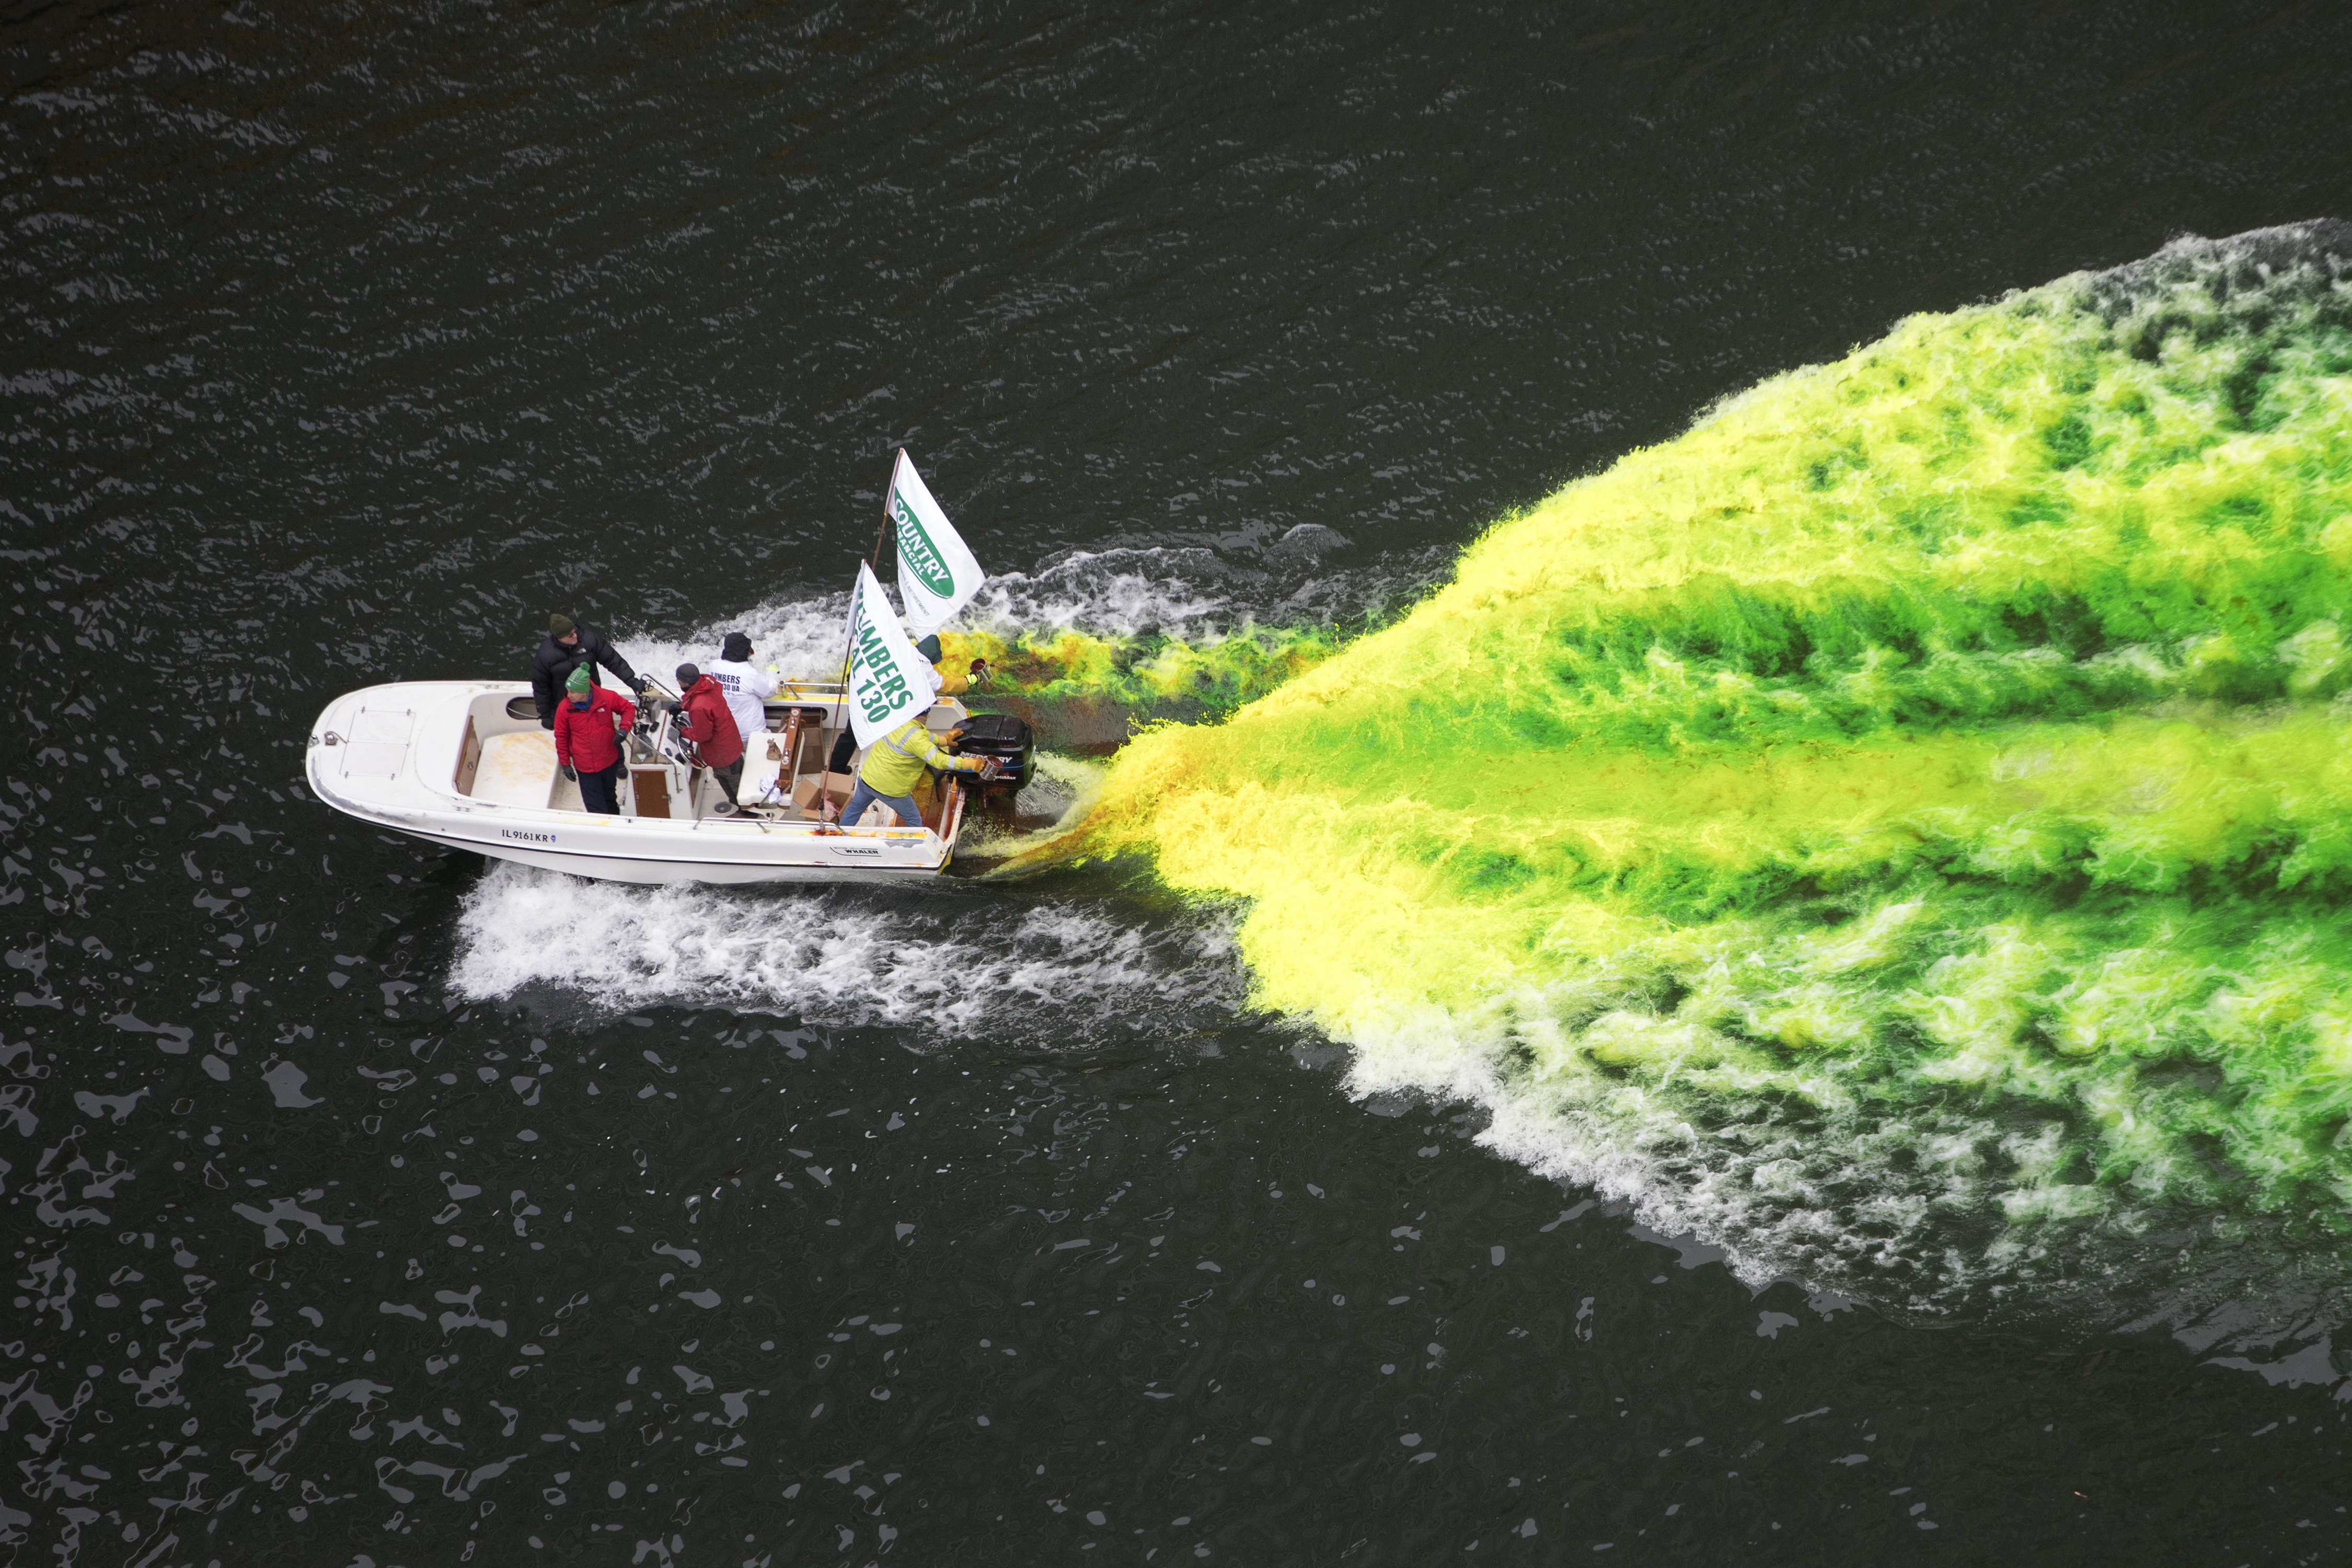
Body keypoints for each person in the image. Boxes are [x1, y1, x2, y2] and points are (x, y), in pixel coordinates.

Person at [834, 712, 994, 830]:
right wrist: (969, 764)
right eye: (927, 713)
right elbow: (939, 760)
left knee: (855, 809)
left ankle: (838, 836)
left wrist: (945, 740)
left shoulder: (898, 721)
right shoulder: (916, 737)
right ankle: (914, 847)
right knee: (913, 818)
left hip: (867, 779)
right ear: (920, 715)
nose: (929, 716)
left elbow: (923, 737)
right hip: (890, 790)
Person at [531, 613, 643, 729]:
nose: (575, 636)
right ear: (560, 638)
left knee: (604, 731)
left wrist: (632, 681)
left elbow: (613, 661)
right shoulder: (545, 656)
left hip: (593, 699)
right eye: (570, 635)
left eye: (575, 631)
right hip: (566, 704)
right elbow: (541, 687)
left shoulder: (590, 640)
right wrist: (545, 715)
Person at [552, 664, 637, 816]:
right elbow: (561, 737)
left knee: (610, 798)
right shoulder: (564, 708)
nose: (568, 695)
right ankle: (603, 834)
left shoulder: (606, 697)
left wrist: (624, 730)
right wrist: (565, 764)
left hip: (609, 761)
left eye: (573, 692)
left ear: (585, 692)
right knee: (595, 809)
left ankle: (615, 827)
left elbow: (628, 709)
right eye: (568, 690)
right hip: (585, 768)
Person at [672, 663, 746, 816]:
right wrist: (682, 706)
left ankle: (746, 811)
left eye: (679, 680)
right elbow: (700, 699)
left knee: (731, 782)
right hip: (732, 741)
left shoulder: (698, 707)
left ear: (685, 683)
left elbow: (702, 736)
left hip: (722, 753)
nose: (678, 682)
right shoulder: (709, 683)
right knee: (739, 772)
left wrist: (683, 731)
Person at [706, 632, 778, 755]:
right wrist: (772, 672)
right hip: (750, 736)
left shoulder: (715, 666)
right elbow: (771, 691)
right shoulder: (749, 673)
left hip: (727, 734)